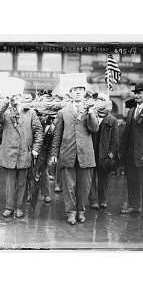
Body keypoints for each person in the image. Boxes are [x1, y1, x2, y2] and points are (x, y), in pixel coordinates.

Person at [50, 73, 99, 225]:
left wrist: (90, 112)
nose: (78, 92)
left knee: (85, 186)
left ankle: (81, 210)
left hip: (85, 154)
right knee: (69, 186)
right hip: (68, 153)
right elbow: (57, 135)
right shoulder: (63, 112)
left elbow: (94, 128)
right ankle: (71, 212)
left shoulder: (91, 110)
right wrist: (54, 153)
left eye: (80, 89)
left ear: (84, 92)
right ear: (70, 93)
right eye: (74, 90)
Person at [0, 93, 43, 218]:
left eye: (19, 96)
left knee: (22, 183)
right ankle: (9, 207)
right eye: (14, 97)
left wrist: (36, 149)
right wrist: (6, 102)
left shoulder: (31, 113)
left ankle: (20, 207)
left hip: (25, 153)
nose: (17, 99)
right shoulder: (6, 113)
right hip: (9, 153)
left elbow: (38, 131)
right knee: (9, 183)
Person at [120, 83, 143, 221]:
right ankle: (134, 205)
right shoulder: (131, 111)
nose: (137, 95)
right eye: (136, 93)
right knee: (132, 181)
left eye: (140, 93)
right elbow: (126, 135)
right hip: (130, 154)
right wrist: (122, 152)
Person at [88, 96, 119, 210]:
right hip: (91, 152)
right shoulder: (91, 117)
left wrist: (111, 153)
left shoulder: (112, 120)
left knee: (104, 178)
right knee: (91, 177)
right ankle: (93, 200)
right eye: (99, 102)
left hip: (104, 154)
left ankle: (103, 200)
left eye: (103, 102)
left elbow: (115, 139)